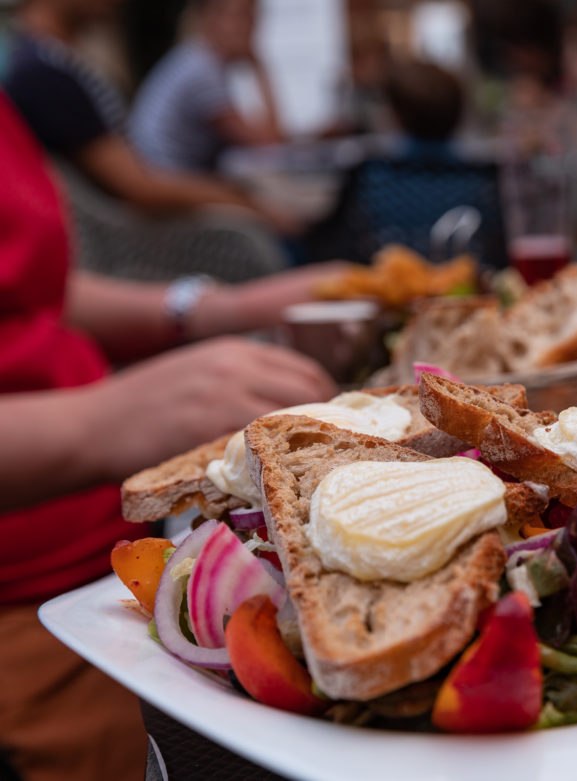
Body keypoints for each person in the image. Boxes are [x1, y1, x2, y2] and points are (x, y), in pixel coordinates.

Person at [0, 89, 340, 781]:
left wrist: (218, 308)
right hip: (30, 619)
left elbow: (32, 288)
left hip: (122, 564)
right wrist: (105, 419)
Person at [2, 0, 289, 229]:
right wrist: (243, 202)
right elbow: (140, 189)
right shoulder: (43, 75)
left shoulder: (57, 61)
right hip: (138, 242)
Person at [130, 0, 284, 174]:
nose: (248, 28)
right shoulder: (202, 71)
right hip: (165, 182)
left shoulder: (192, 58)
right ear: (209, 18)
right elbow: (268, 143)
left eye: (253, 17)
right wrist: (258, 67)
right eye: (238, 16)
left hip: (166, 176)